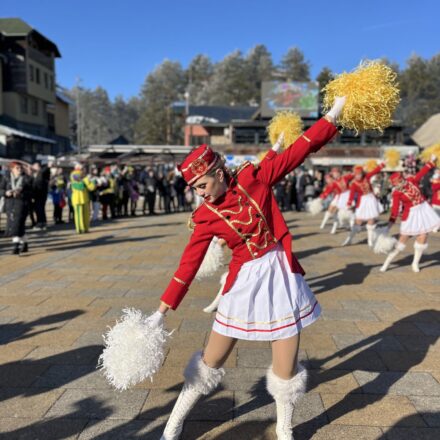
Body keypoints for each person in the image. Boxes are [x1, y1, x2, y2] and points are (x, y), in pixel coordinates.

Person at [148, 97, 345, 440]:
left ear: (219, 173)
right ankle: (173, 422)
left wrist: (332, 117)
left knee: (286, 364)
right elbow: (188, 265)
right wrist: (161, 310)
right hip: (243, 282)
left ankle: (285, 427)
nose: (201, 195)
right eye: (195, 190)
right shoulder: (205, 216)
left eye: (203, 186)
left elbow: (299, 152)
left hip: (280, 275)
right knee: (211, 361)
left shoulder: (255, 179)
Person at [380, 157, 439, 272]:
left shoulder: (412, 181)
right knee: (402, 241)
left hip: (423, 211)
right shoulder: (396, 193)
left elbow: (421, 173)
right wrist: (389, 225)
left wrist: (431, 162)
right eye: (395, 184)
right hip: (410, 216)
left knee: (423, 236)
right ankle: (387, 262)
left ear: (402, 180)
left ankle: (415, 263)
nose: (398, 185)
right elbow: (395, 210)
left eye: (399, 182)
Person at [342, 162, 385, 247]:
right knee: (358, 222)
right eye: (357, 174)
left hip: (371, 200)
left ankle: (370, 241)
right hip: (362, 202)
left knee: (371, 220)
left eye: (360, 174)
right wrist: (349, 202)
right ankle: (349, 239)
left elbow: (375, 171)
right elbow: (352, 194)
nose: (358, 176)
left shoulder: (367, 177)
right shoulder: (354, 183)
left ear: (362, 173)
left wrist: (382, 165)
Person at [0, 162, 33, 254]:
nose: (20, 170)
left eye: (20, 168)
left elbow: (31, 193)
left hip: (22, 205)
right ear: (12, 169)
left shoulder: (26, 179)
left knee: (16, 225)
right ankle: (25, 243)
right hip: (10, 204)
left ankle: (16, 247)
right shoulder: (6, 178)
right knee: (18, 226)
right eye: (17, 168)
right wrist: (6, 193)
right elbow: (1, 190)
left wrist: (21, 193)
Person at [70, 165, 96, 233]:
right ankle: (80, 229)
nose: (84, 170)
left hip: (85, 198)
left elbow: (91, 188)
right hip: (77, 199)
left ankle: (86, 228)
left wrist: (93, 181)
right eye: (82, 169)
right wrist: (86, 179)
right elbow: (79, 186)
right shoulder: (74, 174)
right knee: (79, 215)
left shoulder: (85, 178)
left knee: (86, 215)